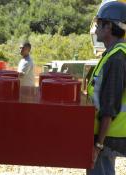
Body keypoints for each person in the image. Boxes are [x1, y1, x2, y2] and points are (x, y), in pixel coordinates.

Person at [87, 1, 126, 175]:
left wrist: (98, 145)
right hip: (106, 134)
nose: (95, 30)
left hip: (106, 137)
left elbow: (109, 106)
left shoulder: (117, 58)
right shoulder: (112, 54)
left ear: (109, 26)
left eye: (98, 24)